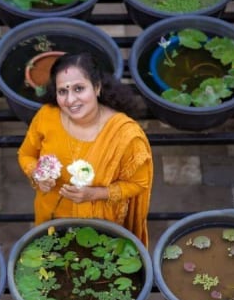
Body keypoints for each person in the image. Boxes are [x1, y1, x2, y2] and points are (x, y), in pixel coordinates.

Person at [18, 53, 153, 246]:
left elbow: (139, 184)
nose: (70, 100)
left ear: (97, 88)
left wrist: (94, 194)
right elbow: (26, 155)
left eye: (79, 89)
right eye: (62, 91)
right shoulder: (47, 116)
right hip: (49, 216)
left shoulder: (124, 135)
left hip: (99, 226)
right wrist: (37, 174)